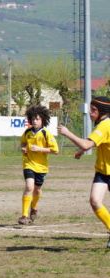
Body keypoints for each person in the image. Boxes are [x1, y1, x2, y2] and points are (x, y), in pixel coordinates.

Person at [58, 96, 110, 249]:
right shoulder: (102, 124)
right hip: (103, 171)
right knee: (95, 201)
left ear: (102, 111)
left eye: (93, 110)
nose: (90, 113)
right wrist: (81, 151)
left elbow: (87, 144)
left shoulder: (105, 125)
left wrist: (67, 133)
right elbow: (97, 143)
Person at [18, 105, 58, 225]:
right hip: (28, 164)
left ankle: (34, 208)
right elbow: (22, 144)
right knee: (29, 187)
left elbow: (55, 150)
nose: (35, 121)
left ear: (43, 120)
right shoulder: (27, 132)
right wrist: (23, 148)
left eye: (37, 119)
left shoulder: (46, 134)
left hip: (41, 167)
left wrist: (40, 149)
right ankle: (24, 215)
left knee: (37, 190)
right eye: (33, 119)